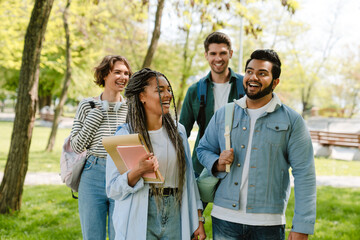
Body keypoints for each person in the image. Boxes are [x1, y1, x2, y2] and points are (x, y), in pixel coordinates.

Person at [197, 49, 316, 240]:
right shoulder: (224, 113)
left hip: (268, 224)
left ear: (275, 82)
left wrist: (302, 226)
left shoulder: (292, 121)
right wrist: (216, 162)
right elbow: (202, 149)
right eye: (249, 71)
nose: (253, 77)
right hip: (224, 219)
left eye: (262, 73)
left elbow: (305, 174)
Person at [106, 68, 206, 240]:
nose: (168, 95)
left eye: (168, 89)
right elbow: (113, 189)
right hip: (141, 211)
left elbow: (189, 180)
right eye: (160, 90)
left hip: (175, 210)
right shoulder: (125, 135)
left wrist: (198, 219)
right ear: (141, 97)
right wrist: (137, 171)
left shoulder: (178, 131)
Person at [70, 55, 132, 240]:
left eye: (126, 73)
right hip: (93, 172)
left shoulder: (132, 107)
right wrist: (95, 117)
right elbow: (76, 146)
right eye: (118, 72)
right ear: (105, 74)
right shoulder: (87, 105)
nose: (123, 77)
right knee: (92, 235)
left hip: (121, 173)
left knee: (119, 234)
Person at [180, 31, 245, 176]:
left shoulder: (246, 86)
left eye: (222, 53)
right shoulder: (194, 90)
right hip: (202, 164)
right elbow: (182, 132)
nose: (218, 58)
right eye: (213, 53)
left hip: (237, 163)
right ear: (206, 55)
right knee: (196, 200)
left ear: (231, 54)